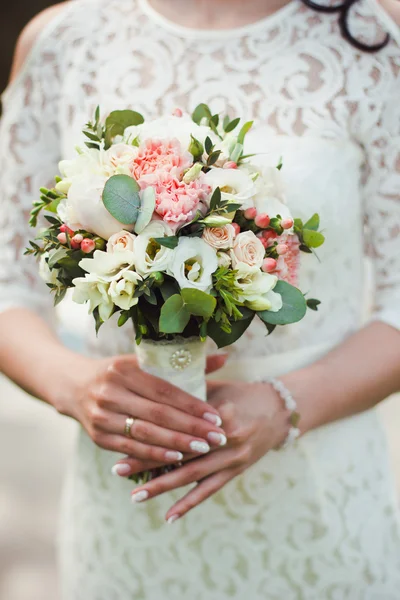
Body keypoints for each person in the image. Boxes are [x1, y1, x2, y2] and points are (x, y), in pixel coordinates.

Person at [1, 0, 400, 597]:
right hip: (124, 507)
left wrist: (285, 405)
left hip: (316, 500)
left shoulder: (376, 40)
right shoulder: (65, 38)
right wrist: (75, 386)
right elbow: (9, 281)